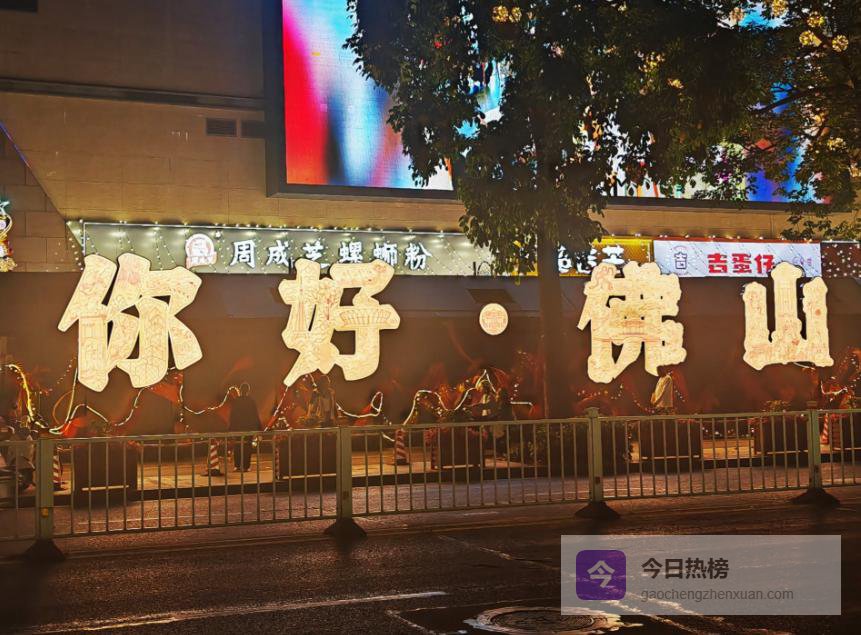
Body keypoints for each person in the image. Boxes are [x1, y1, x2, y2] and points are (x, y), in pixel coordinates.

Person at [228, 383, 261, 471]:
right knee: (247, 447)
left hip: (238, 428)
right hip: (248, 428)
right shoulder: (251, 401)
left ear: (240, 390)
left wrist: (230, 428)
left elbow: (232, 415)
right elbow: (255, 415)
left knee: (237, 446)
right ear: (248, 391)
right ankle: (246, 466)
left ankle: (237, 465)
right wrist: (259, 428)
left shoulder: (236, 401)